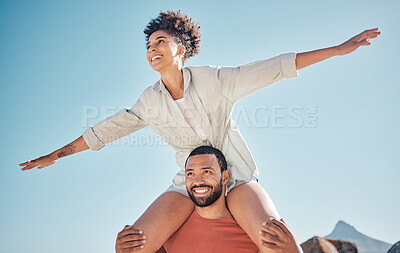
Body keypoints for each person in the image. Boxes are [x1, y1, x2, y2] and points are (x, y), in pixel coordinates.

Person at [19, 10, 381, 253]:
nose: (153, 49)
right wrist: (56, 155)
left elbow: (273, 68)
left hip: (236, 177)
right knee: (136, 245)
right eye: (148, 46)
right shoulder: (149, 100)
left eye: (160, 41)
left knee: (276, 242)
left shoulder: (215, 80)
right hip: (186, 182)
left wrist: (339, 48)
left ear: (182, 48)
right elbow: (105, 131)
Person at [116, 146, 302, 253]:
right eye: (190, 174)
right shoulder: (169, 231)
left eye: (207, 172)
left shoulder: (251, 230)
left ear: (225, 177)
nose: (197, 181)